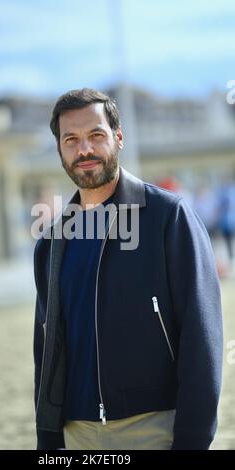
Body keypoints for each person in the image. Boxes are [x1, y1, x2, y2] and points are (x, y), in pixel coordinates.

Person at [33, 88, 223, 450]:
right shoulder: (52, 242)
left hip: (154, 428)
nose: (84, 150)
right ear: (59, 149)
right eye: (71, 139)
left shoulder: (168, 218)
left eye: (96, 135)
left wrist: (193, 439)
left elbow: (202, 336)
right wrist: (49, 438)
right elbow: (47, 347)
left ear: (118, 138)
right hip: (76, 434)